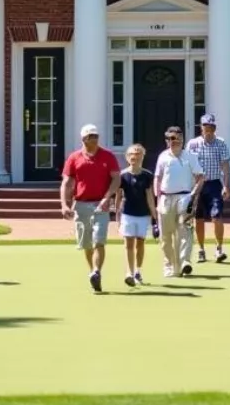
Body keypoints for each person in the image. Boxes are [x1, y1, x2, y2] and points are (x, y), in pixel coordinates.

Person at [60, 124, 121, 293]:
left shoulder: (108, 156)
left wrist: (106, 198)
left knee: (99, 241)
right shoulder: (74, 158)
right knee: (87, 244)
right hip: (80, 205)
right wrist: (64, 204)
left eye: (96, 136)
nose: (94, 139)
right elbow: (66, 183)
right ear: (83, 139)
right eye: (90, 136)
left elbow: (116, 179)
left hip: (101, 205)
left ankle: (97, 271)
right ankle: (92, 272)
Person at [153, 126, 204, 278]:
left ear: (182, 139)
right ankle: (169, 266)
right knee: (166, 235)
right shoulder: (163, 156)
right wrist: (157, 197)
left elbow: (201, 177)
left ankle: (185, 263)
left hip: (185, 197)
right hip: (166, 198)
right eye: (171, 139)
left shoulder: (190, 156)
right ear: (167, 141)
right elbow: (158, 177)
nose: (174, 142)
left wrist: (193, 195)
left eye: (177, 139)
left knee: (185, 231)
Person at [187, 111, 230, 264]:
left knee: (216, 216)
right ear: (201, 127)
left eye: (211, 127)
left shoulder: (221, 143)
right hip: (198, 185)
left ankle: (219, 248)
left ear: (214, 128)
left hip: (214, 184)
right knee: (198, 219)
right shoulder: (193, 144)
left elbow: (225, 166)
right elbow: (188, 166)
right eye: (206, 126)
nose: (208, 130)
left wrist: (226, 186)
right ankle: (201, 249)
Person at [115, 142, 158, 287]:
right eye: (132, 154)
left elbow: (150, 196)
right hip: (127, 213)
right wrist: (117, 215)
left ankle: (138, 271)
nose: (135, 156)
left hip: (143, 214)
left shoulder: (147, 175)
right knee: (128, 244)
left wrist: (154, 215)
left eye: (138, 153)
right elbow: (118, 196)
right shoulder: (122, 175)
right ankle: (129, 273)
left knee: (140, 243)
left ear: (142, 157)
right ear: (127, 157)